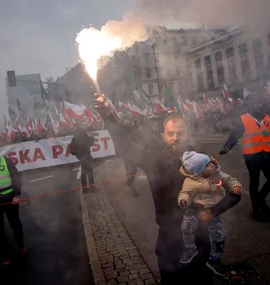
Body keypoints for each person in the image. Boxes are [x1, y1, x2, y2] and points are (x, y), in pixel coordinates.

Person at [95, 94, 241, 283]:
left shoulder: (203, 160)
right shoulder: (154, 160)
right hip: (168, 243)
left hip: (199, 241)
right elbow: (125, 146)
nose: (175, 138)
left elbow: (234, 193)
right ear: (164, 136)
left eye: (180, 133)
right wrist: (108, 116)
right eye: (170, 133)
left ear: (187, 134)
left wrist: (211, 212)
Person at [219, 94, 270, 219]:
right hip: (252, 157)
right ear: (249, 105)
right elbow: (234, 135)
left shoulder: (267, 117)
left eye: (259, 103)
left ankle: (260, 198)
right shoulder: (243, 119)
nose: (258, 106)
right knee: (254, 182)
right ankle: (256, 208)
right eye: (255, 103)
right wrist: (227, 147)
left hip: (266, 154)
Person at [178, 151, 242, 273]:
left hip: (211, 209)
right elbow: (185, 193)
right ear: (200, 171)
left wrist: (235, 186)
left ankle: (215, 259)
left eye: (210, 163)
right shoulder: (190, 181)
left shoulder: (217, 174)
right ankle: (190, 248)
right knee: (186, 226)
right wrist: (183, 201)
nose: (212, 165)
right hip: (194, 208)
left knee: (219, 233)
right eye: (207, 165)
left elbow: (229, 179)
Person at [71, 123, 95, 189]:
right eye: (84, 125)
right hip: (84, 155)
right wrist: (91, 137)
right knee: (90, 170)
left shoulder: (78, 133)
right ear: (81, 126)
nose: (86, 126)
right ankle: (92, 188)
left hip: (81, 155)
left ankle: (84, 189)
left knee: (84, 172)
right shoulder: (82, 134)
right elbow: (89, 144)